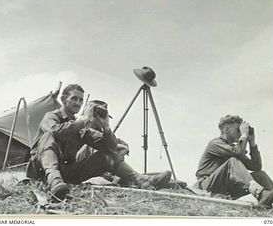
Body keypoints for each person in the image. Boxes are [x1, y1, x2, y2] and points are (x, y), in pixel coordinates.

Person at [26, 84, 171, 200]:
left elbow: (111, 148)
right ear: (64, 99)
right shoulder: (52, 116)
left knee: (105, 155)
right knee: (49, 136)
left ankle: (142, 181)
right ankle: (54, 180)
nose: (78, 103)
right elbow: (55, 131)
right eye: (74, 99)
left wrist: (106, 127)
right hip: (42, 172)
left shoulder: (80, 126)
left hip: (66, 175)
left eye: (81, 100)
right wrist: (84, 121)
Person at [194, 115, 273, 208]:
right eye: (238, 129)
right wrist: (244, 136)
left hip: (226, 189)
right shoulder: (215, 143)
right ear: (227, 129)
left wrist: (252, 142)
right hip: (207, 187)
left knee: (261, 175)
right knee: (233, 161)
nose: (240, 133)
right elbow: (237, 152)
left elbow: (256, 167)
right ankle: (259, 193)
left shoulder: (235, 149)